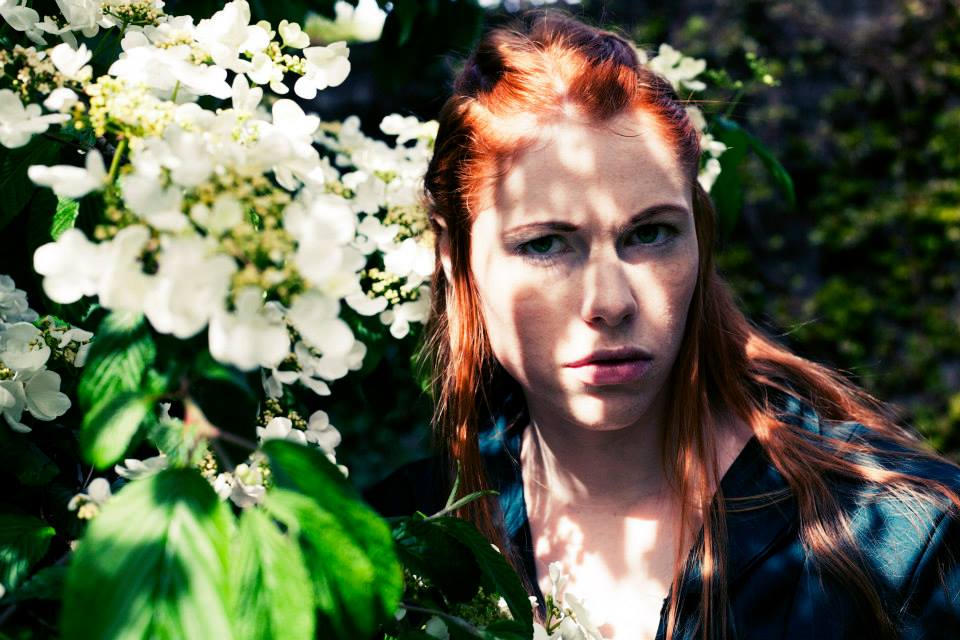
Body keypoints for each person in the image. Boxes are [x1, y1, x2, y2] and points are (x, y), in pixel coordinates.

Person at [366, 11, 960, 640]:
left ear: (698, 234)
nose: (609, 301)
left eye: (649, 234)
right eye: (544, 244)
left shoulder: (901, 549)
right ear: (453, 256)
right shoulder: (395, 547)